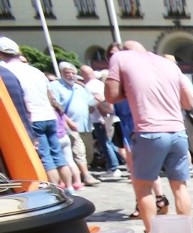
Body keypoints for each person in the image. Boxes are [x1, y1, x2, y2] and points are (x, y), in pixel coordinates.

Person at [105, 40, 193, 233]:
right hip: (177, 131)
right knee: (180, 186)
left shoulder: (120, 58)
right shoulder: (169, 64)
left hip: (149, 131)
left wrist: (131, 90)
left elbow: (110, 95)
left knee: (143, 187)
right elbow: (189, 102)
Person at [0, 37, 74, 189]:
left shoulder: (7, 71)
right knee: (58, 155)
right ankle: (70, 187)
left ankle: (54, 190)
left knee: (46, 158)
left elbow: (20, 100)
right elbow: (50, 96)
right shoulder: (36, 71)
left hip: (32, 118)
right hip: (48, 115)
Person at [105, 42, 169, 217]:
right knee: (145, 170)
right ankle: (158, 199)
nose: (115, 58)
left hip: (139, 127)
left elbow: (109, 99)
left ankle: (148, 224)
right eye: (111, 55)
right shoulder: (140, 75)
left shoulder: (130, 78)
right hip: (135, 125)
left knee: (140, 173)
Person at [48, 61, 101, 186]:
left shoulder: (80, 87)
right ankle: (85, 176)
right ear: (61, 73)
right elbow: (56, 106)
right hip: (69, 125)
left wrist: (96, 101)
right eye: (68, 73)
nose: (71, 75)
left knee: (88, 152)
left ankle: (80, 174)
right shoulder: (55, 86)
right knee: (78, 152)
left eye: (73, 73)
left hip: (86, 124)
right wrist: (68, 121)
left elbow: (89, 105)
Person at [81, 64, 124, 181]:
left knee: (106, 143)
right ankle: (121, 163)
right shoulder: (100, 84)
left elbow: (100, 100)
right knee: (111, 143)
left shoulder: (90, 86)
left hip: (101, 119)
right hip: (108, 118)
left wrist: (99, 114)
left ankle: (114, 167)